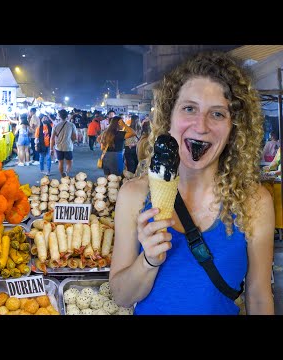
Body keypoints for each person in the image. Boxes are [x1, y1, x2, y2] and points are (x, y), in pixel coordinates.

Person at [109, 51, 275, 315]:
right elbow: (121, 296)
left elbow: (258, 296)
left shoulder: (254, 202)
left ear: (234, 127)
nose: (201, 126)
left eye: (218, 114)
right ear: (169, 117)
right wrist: (149, 261)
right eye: (189, 108)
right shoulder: (134, 195)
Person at [50, 109, 77, 177]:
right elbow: (74, 137)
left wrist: (51, 149)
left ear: (59, 116)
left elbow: (52, 138)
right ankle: (66, 172)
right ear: (67, 116)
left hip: (58, 147)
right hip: (68, 146)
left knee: (60, 162)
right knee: (69, 162)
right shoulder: (71, 125)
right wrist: (72, 141)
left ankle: (62, 175)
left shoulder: (56, 126)